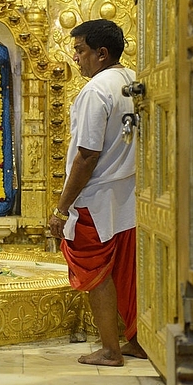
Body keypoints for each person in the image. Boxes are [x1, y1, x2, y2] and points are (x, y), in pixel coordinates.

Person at [48, 19, 147, 366]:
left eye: (80, 50)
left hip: (96, 197)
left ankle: (110, 349)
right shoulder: (134, 79)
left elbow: (87, 155)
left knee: (97, 272)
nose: (76, 58)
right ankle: (138, 341)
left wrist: (62, 209)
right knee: (128, 270)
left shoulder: (95, 90)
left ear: (101, 53)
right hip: (130, 192)